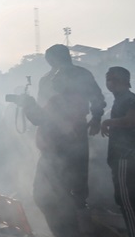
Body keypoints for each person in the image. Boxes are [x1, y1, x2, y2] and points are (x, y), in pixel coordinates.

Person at [23, 73, 90, 237]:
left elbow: (43, 119)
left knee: (50, 198)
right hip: (60, 156)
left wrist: (28, 104)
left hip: (58, 156)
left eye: (58, 81)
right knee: (55, 199)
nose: (54, 84)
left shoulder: (63, 101)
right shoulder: (73, 101)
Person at [35, 44, 106, 209]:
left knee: (77, 166)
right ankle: (66, 205)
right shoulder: (46, 79)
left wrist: (96, 118)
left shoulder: (80, 74)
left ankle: (77, 205)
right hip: (55, 131)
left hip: (75, 127)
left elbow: (96, 98)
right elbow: (41, 106)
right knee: (61, 168)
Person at [100, 67, 135, 237]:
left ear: (122, 80)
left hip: (126, 157)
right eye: (107, 79)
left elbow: (134, 120)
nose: (109, 83)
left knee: (127, 199)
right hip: (125, 156)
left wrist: (108, 122)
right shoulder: (121, 99)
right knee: (127, 199)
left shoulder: (129, 99)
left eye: (112, 79)